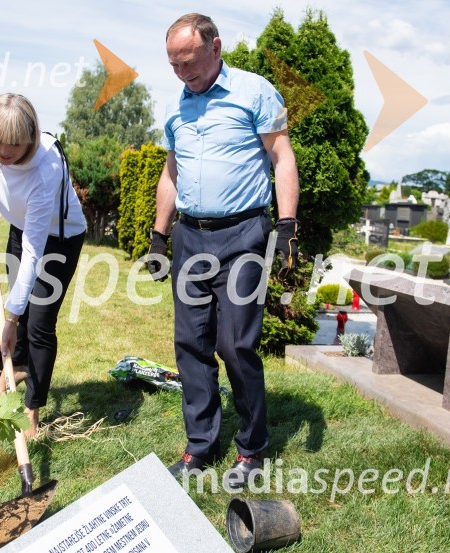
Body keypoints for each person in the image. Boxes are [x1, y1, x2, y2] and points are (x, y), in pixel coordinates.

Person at [148, 13, 300, 489]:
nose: (183, 74)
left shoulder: (255, 92)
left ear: (215, 47)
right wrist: (159, 234)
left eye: (189, 62)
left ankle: (252, 447)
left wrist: (288, 224)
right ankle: (201, 444)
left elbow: (282, 157)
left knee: (235, 343)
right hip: (190, 236)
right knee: (190, 344)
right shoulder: (175, 106)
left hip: (243, 234)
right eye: (174, 65)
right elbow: (171, 173)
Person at [0, 93, 87, 437]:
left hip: (58, 238)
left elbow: (33, 252)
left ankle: (31, 411)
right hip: (21, 227)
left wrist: (9, 321)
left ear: (31, 137)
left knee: (37, 321)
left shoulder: (45, 169)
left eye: (13, 144)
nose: (2, 151)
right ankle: (18, 367)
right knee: (18, 304)